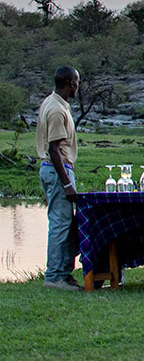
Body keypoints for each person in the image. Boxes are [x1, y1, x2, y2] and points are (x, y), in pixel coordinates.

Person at [36, 65, 81, 290]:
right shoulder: (55, 109)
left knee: (66, 222)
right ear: (71, 83)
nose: (77, 87)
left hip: (57, 169)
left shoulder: (56, 103)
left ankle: (64, 273)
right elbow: (54, 149)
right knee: (60, 224)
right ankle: (54, 276)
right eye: (77, 82)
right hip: (57, 170)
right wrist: (66, 183)